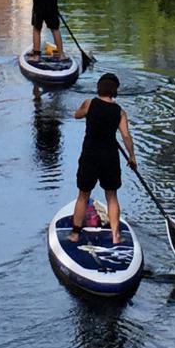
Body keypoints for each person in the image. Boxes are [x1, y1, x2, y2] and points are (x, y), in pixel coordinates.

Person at [71, 73, 137, 240]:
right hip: (110, 157)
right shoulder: (120, 112)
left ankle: (75, 234)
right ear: (115, 91)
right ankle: (115, 236)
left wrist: (82, 111)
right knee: (112, 195)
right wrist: (132, 156)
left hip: (90, 155)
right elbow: (126, 136)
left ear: (99, 88)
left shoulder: (89, 103)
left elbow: (76, 115)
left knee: (83, 195)